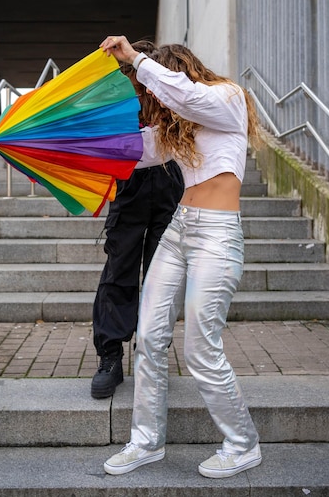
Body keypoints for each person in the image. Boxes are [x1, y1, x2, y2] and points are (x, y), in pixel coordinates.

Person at [99, 34, 262, 479]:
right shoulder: (178, 129)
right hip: (179, 230)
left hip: (217, 237)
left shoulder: (226, 98)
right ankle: (146, 441)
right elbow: (131, 153)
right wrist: (57, 155)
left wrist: (135, 58)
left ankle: (243, 443)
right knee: (149, 340)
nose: (154, 98)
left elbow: (185, 95)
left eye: (157, 86)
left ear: (179, 71)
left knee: (200, 348)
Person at [91, 39, 184, 399]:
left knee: (164, 274)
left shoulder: (163, 85)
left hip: (168, 180)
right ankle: (110, 357)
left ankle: (152, 354)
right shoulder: (114, 96)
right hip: (128, 185)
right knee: (119, 271)